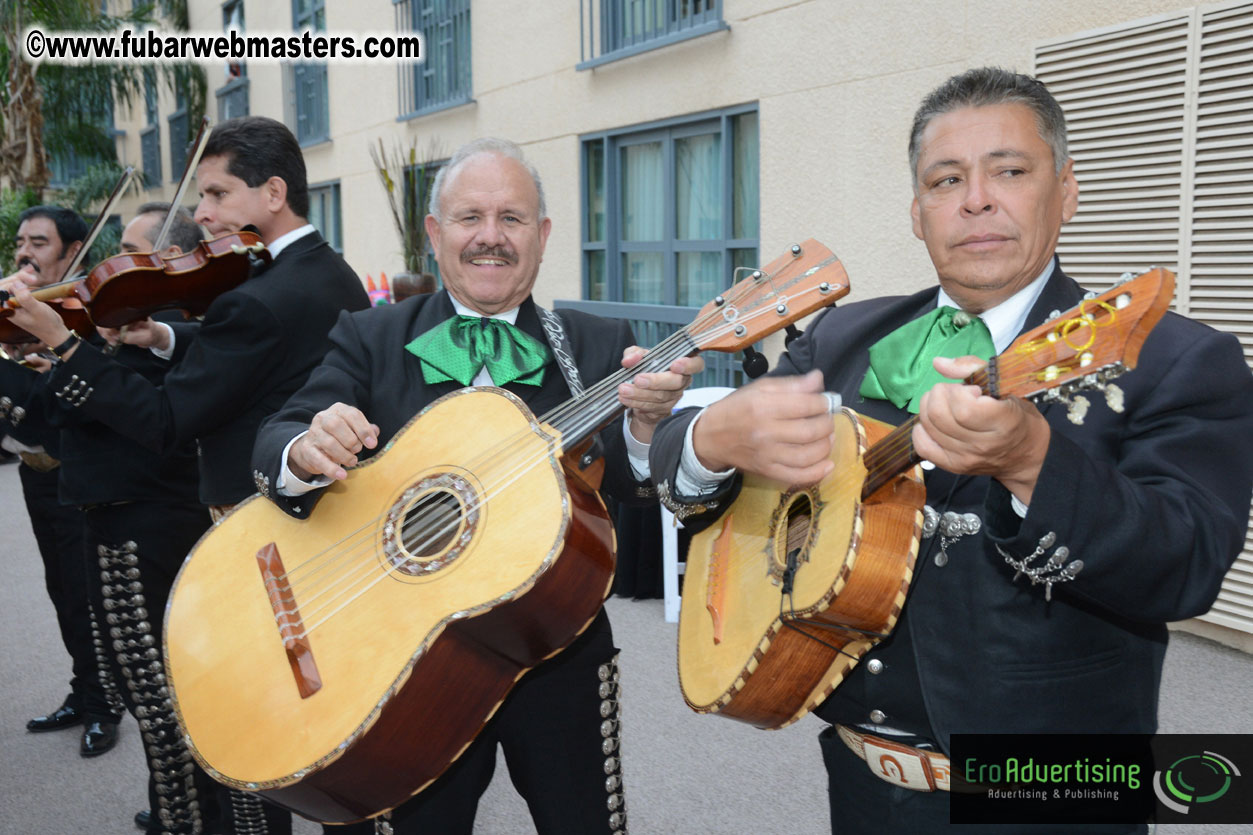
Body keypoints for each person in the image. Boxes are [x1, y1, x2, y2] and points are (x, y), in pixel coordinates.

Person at [648, 67, 1253, 834]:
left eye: (1009, 170)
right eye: (945, 179)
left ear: (1064, 192)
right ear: (916, 212)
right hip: (858, 773)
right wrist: (708, 436)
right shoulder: (840, 337)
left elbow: (1187, 564)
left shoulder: (1177, 358)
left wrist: (1033, 461)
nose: (975, 199)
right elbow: (675, 467)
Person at [251, 137, 703, 835]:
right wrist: (307, 448)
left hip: (555, 650)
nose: (489, 237)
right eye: (469, 217)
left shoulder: (597, 343)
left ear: (543, 235)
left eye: (511, 218)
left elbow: (640, 487)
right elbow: (275, 439)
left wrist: (646, 428)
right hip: (404, 660)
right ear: (435, 234)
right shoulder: (369, 335)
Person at [7, 116, 371, 835]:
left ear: (272, 192)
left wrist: (66, 348)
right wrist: (164, 332)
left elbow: (167, 420)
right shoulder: (327, 272)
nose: (201, 214)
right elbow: (255, 350)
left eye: (215, 193)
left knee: (251, 721)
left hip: (258, 533)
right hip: (320, 527)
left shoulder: (255, 298)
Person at [0, 203, 215, 834]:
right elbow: (58, 417)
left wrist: (64, 347)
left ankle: (186, 814)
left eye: (130, 251)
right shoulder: (117, 327)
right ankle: (175, 804)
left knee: (158, 687)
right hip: (111, 516)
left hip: (149, 524)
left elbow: (129, 410)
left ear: (166, 262)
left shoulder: (166, 327)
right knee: (147, 687)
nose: (112, 268)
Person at [3, 205, 124, 758]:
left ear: (73, 252)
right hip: (35, 474)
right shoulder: (17, 319)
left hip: (80, 475)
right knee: (59, 591)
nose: (25, 253)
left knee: (87, 595)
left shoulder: (87, 318)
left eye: (40, 243)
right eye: (20, 243)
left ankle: (106, 707)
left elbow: (78, 404)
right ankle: (83, 691)